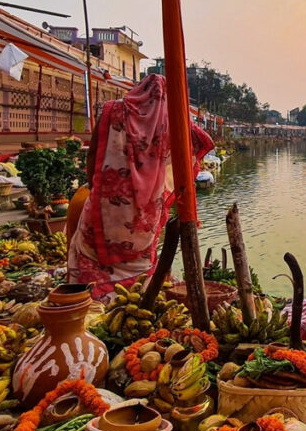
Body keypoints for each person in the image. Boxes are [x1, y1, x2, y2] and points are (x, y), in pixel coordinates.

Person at [67, 74, 213, 298]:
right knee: (140, 271)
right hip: (144, 215)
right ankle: (134, 298)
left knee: (92, 256)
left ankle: (87, 301)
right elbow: (201, 142)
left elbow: (93, 155)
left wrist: (98, 188)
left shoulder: (112, 110)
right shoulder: (171, 121)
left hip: (106, 206)